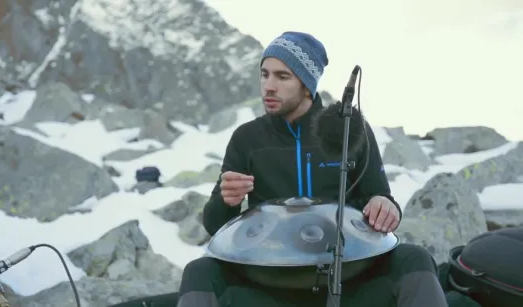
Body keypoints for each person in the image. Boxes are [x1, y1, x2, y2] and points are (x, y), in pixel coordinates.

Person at [176, 31, 448, 307]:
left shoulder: (348, 130)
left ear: (307, 85)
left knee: (414, 259)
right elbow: (215, 225)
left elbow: (379, 197)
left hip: (348, 277)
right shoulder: (247, 139)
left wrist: (385, 205)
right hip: (270, 284)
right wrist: (226, 200)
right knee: (199, 271)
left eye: (282, 77)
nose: (268, 86)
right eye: (264, 74)